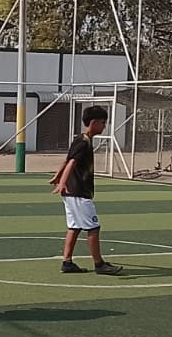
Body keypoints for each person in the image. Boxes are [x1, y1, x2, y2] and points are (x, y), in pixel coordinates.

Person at [49, 105, 123, 275]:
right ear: (94, 122)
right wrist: (62, 182)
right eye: (103, 122)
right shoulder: (83, 142)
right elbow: (72, 162)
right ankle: (99, 264)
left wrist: (58, 176)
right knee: (93, 227)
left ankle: (67, 262)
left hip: (72, 193)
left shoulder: (80, 140)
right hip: (78, 192)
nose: (105, 126)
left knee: (74, 227)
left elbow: (66, 160)